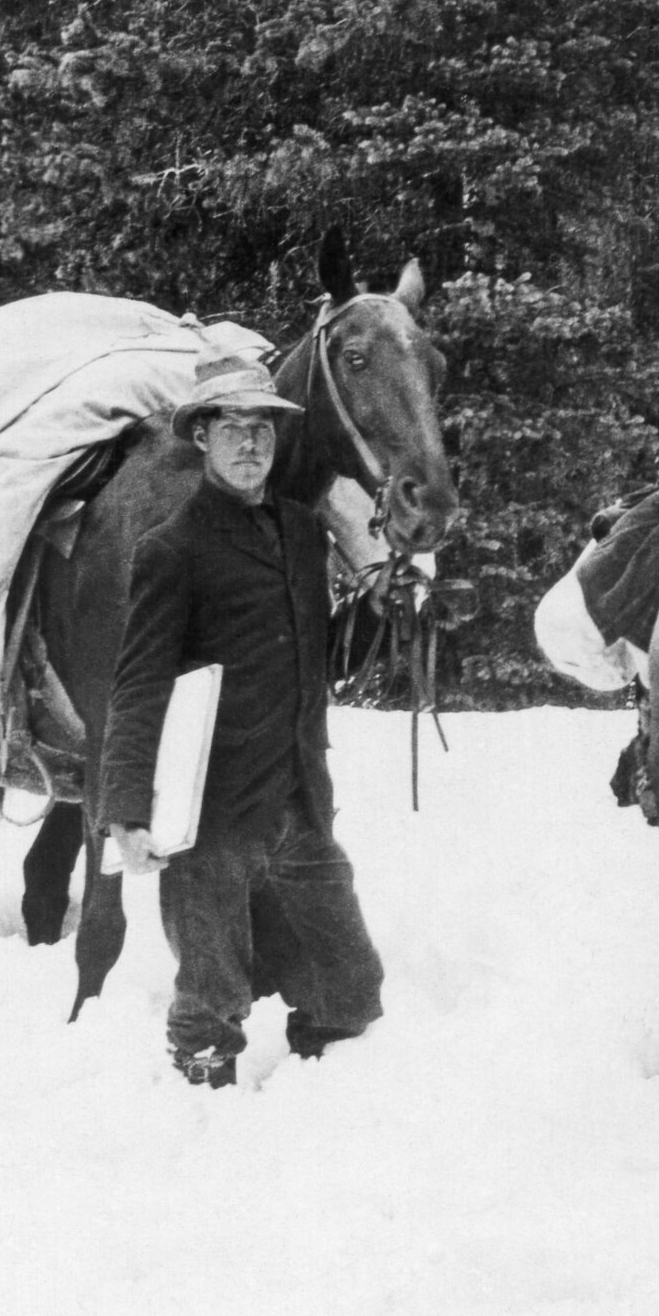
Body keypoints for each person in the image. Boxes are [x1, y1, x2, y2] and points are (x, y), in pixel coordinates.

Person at [102, 351, 384, 1088]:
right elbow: (137, 686)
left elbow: (327, 658)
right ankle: (205, 1129)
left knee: (348, 983)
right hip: (214, 810)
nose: (251, 442)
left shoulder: (301, 531)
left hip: (298, 799)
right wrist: (127, 810)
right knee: (211, 995)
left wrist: (383, 612)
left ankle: (319, 1106)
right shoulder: (173, 547)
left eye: (262, 426)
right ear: (201, 438)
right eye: (231, 426)